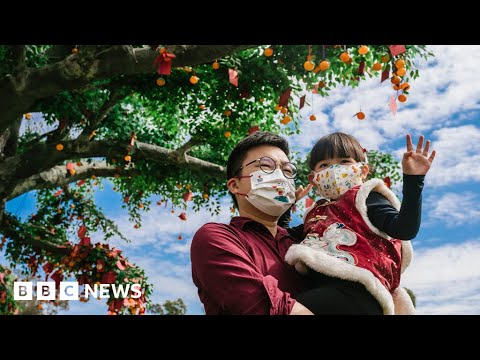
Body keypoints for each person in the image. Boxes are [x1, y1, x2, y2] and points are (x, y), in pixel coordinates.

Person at [284, 132, 436, 315]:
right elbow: (283, 237)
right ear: (314, 179)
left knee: (285, 309)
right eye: (324, 165)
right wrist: (286, 207)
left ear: (363, 171)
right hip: (324, 293)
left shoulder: (366, 198)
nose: (334, 170)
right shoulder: (315, 214)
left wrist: (414, 181)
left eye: (344, 162)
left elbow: (404, 229)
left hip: (358, 293)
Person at [190, 131, 314, 315]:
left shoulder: (304, 242)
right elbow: (262, 306)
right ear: (235, 185)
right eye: (265, 166)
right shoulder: (216, 238)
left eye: (287, 170)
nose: (280, 176)